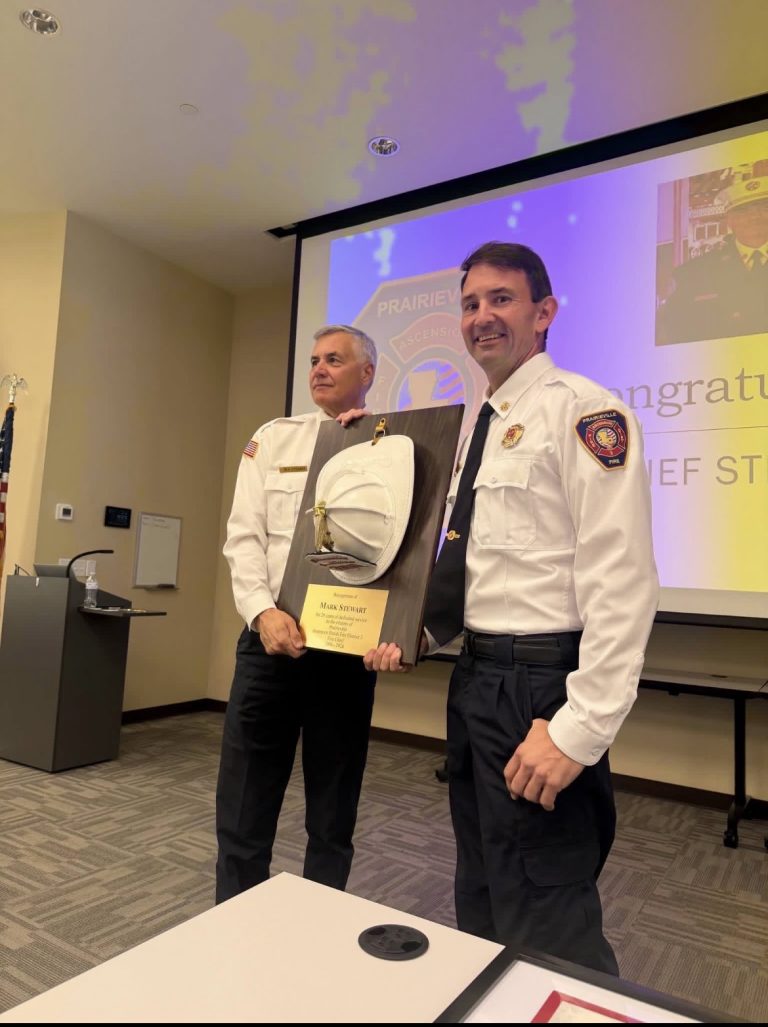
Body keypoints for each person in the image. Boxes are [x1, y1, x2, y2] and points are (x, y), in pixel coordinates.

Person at [366, 242, 659, 975]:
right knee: (483, 891)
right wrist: (416, 631)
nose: (482, 317)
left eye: (501, 299)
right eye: (470, 304)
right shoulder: (479, 430)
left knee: (549, 912)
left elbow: (623, 580)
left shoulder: (587, 412)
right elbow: (471, 564)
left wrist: (579, 728)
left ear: (544, 313)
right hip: (476, 681)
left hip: (540, 690)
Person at [216, 324, 378, 903]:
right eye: (313, 360)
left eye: (335, 359)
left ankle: (320, 925)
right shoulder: (274, 439)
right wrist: (262, 613)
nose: (318, 369)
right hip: (269, 643)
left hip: (342, 653)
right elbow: (243, 539)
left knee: (333, 816)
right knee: (243, 807)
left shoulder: (394, 447)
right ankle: (232, 925)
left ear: (368, 374)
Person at [658, 175, 768, 345]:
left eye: (763, 208)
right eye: (743, 211)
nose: (754, 217)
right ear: (730, 220)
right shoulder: (694, 272)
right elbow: (675, 328)